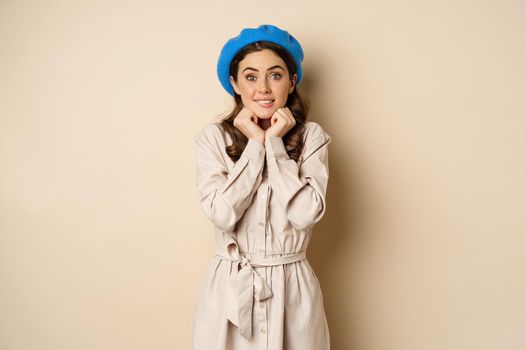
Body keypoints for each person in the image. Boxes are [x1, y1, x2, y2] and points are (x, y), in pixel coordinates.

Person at [192, 24, 331, 350]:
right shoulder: (214, 138)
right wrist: (255, 146)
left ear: (292, 81)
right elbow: (222, 215)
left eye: (276, 75)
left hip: (292, 287)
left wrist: (275, 147)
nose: (264, 89)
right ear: (235, 84)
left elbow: (305, 213)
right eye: (251, 77)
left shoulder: (311, 137)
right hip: (230, 289)